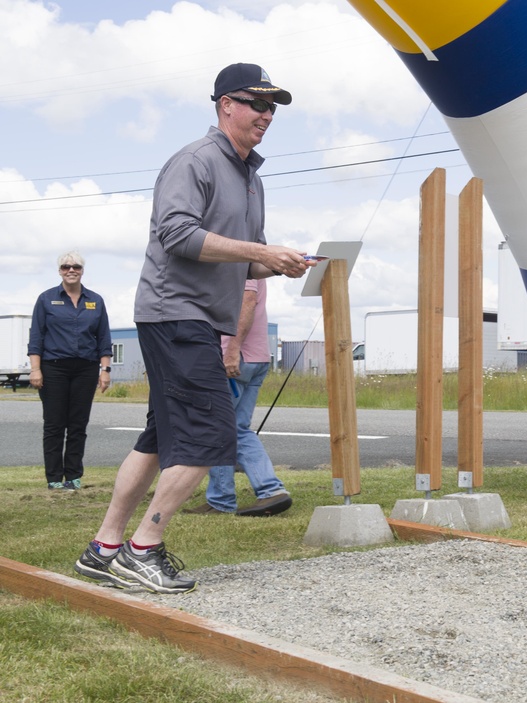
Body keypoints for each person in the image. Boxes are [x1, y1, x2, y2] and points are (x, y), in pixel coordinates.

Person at [73, 63, 315, 595]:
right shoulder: (195, 161)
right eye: (257, 103)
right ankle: (144, 549)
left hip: (196, 318)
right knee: (210, 437)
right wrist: (260, 251)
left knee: (160, 437)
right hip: (176, 312)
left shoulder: (252, 177)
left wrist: (278, 262)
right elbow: (179, 234)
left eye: (273, 107)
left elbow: (237, 259)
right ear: (226, 104)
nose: (267, 115)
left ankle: (104, 548)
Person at [185, 278, 293, 517]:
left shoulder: (240, 259)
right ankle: (270, 490)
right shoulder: (251, 259)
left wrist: (231, 350)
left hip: (235, 357)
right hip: (256, 356)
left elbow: (247, 300)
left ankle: (223, 499)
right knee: (236, 428)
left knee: (218, 428)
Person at [28, 251, 112, 491]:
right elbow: (36, 338)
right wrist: (36, 369)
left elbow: (104, 338)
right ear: (60, 271)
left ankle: (73, 476)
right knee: (54, 424)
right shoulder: (46, 299)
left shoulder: (95, 300)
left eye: (75, 266)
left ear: (82, 270)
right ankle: (54, 478)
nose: (71, 270)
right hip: (53, 368)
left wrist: (104, 370)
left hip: (85, 369)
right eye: (66, 267)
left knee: (78, 424)